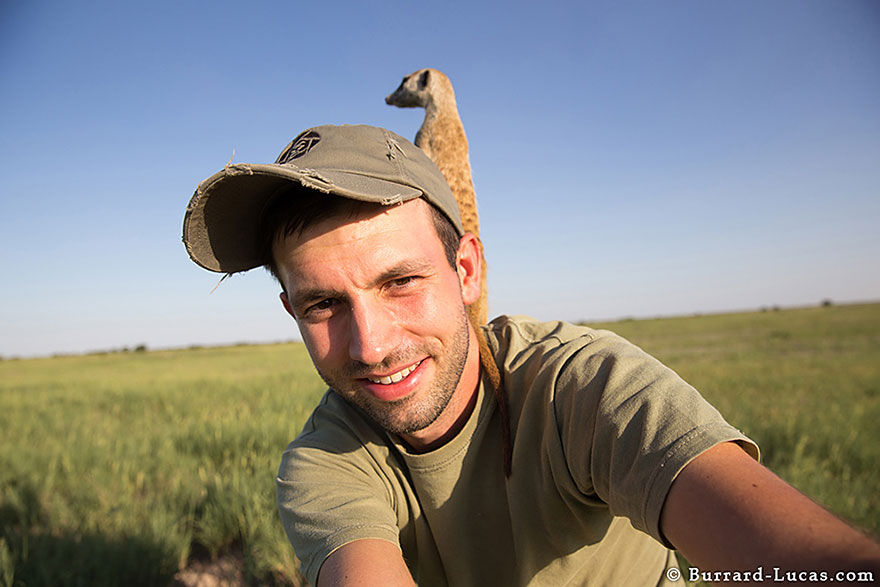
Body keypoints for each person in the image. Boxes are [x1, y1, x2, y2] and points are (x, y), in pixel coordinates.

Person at [183, 124, 880, 586]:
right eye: (323, 304)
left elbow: (808, 563)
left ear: (467, 271)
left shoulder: (581, 385)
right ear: (291, 313)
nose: (371, 345)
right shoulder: (326, 459)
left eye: (400, 281)